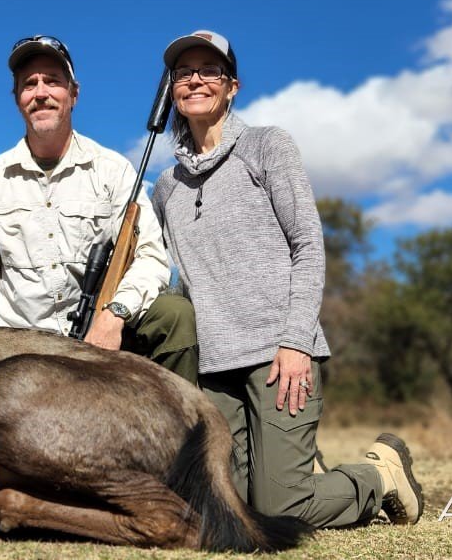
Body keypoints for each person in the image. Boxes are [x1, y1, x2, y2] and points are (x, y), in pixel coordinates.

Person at [150, 30, 424, 527]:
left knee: (281, 508)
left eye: (207, 70)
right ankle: (298, 469)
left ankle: (378, 476)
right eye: (182, 72)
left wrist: (296, 340)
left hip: (279, 355)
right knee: (229, 508)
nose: (194, 79)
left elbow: (308, 245)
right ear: (172, 89)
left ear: (231, 86)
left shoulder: (266, 146)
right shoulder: (166, 186)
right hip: (213, 369)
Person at [0, 35, 197, 381]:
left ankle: (182, 428)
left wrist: (115, 314)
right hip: (19, 350)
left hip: (104, 336)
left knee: (174, 314)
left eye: (52, 81)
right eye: (29, 85)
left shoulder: (113, 169)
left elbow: (151, 258)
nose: (40, 93)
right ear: (18, 100)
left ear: (73, 94)